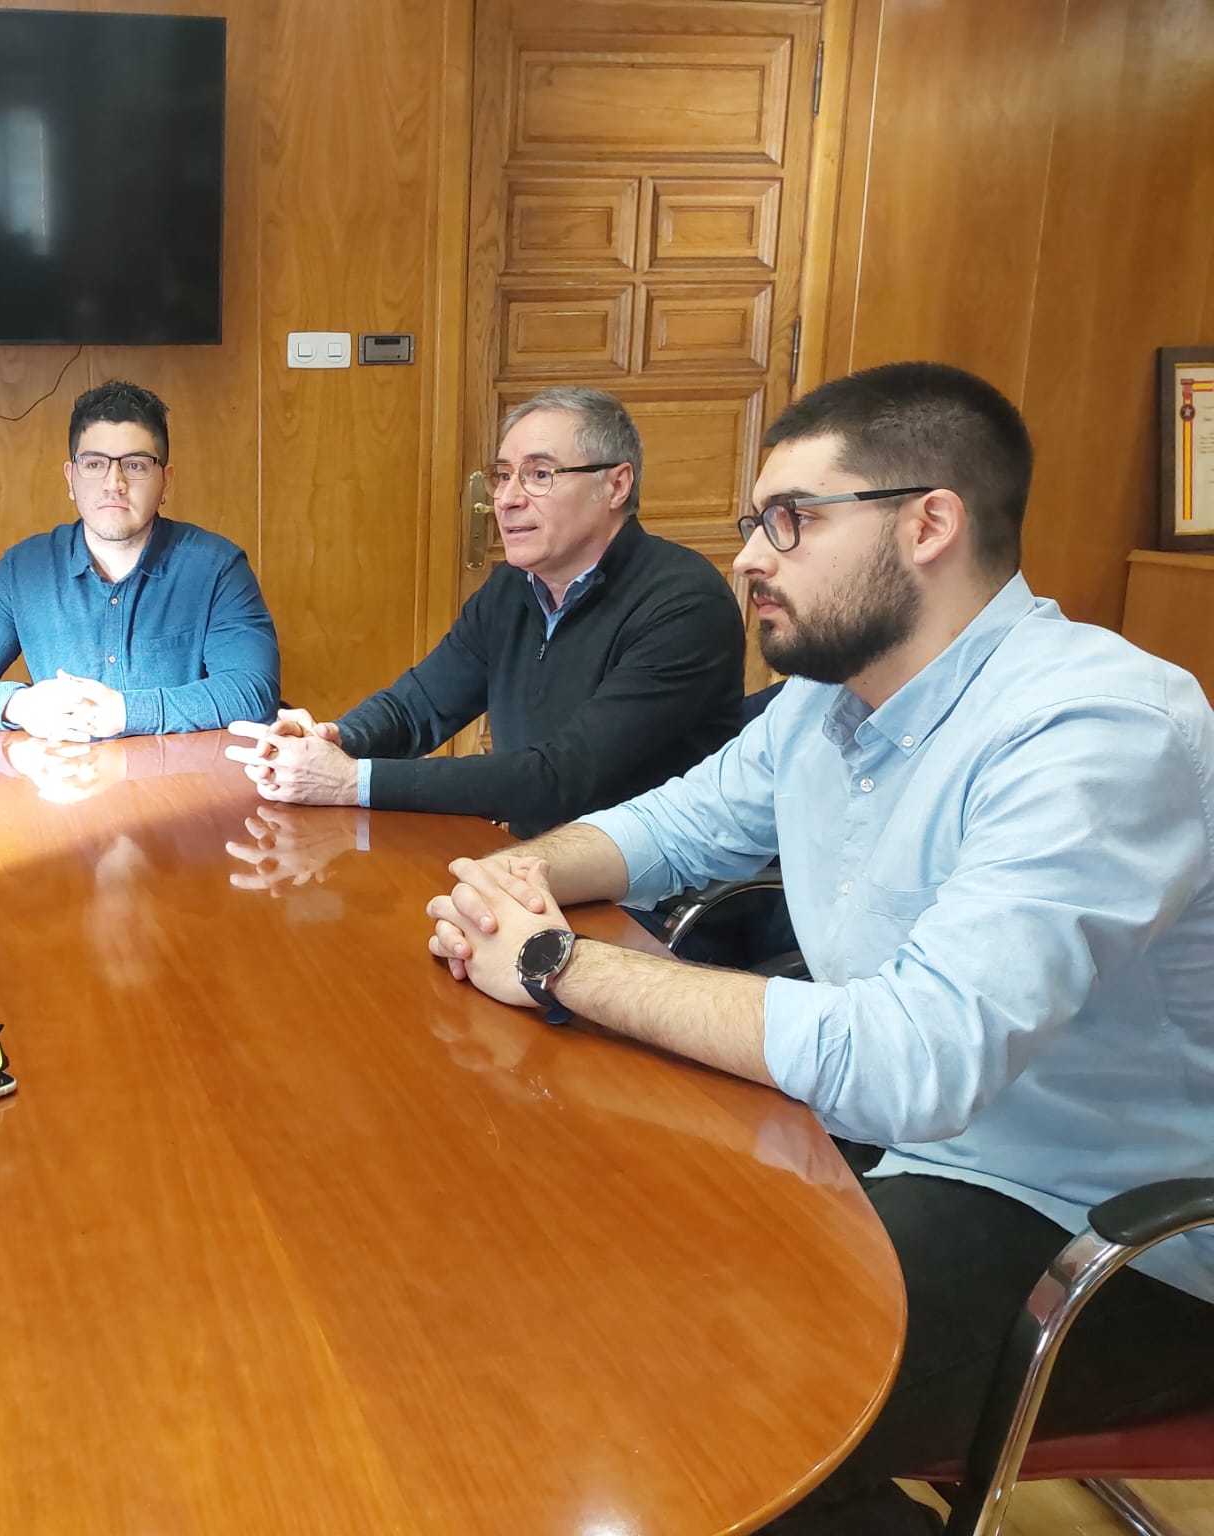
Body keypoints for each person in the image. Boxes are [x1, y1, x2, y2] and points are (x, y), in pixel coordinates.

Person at [426, 362, 1214, 1533]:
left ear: (927, 523)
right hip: (888, 1146)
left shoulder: (1095, 728)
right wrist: (508, 880)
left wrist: (554, 966)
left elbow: (912, 1060)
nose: (748, 556)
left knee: (669, 1385)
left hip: (1096, 1232)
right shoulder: (828, 696)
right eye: (754, 524)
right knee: (556, 1244)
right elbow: (678, 821)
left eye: (787, 521)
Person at [224, 386, 743, 837]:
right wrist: (332, 740)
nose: (506, 499)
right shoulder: (512, 589)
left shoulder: (684, 605)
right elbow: (417, 708)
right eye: (502, 476)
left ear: (616, 485)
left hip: (643, 892)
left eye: (538, 474)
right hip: (530, 863)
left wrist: (349, 781)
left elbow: (559, 779)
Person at [0, 378, 279, 740]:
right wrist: (21, 705)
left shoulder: (216, 567)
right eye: (94, 464)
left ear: (165, 481)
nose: (114, 483)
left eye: (135, 465)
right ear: (71, 478)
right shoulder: (24, 569)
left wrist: (125, 712)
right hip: (64, 781)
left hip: (183, 786)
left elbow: (252, 690)